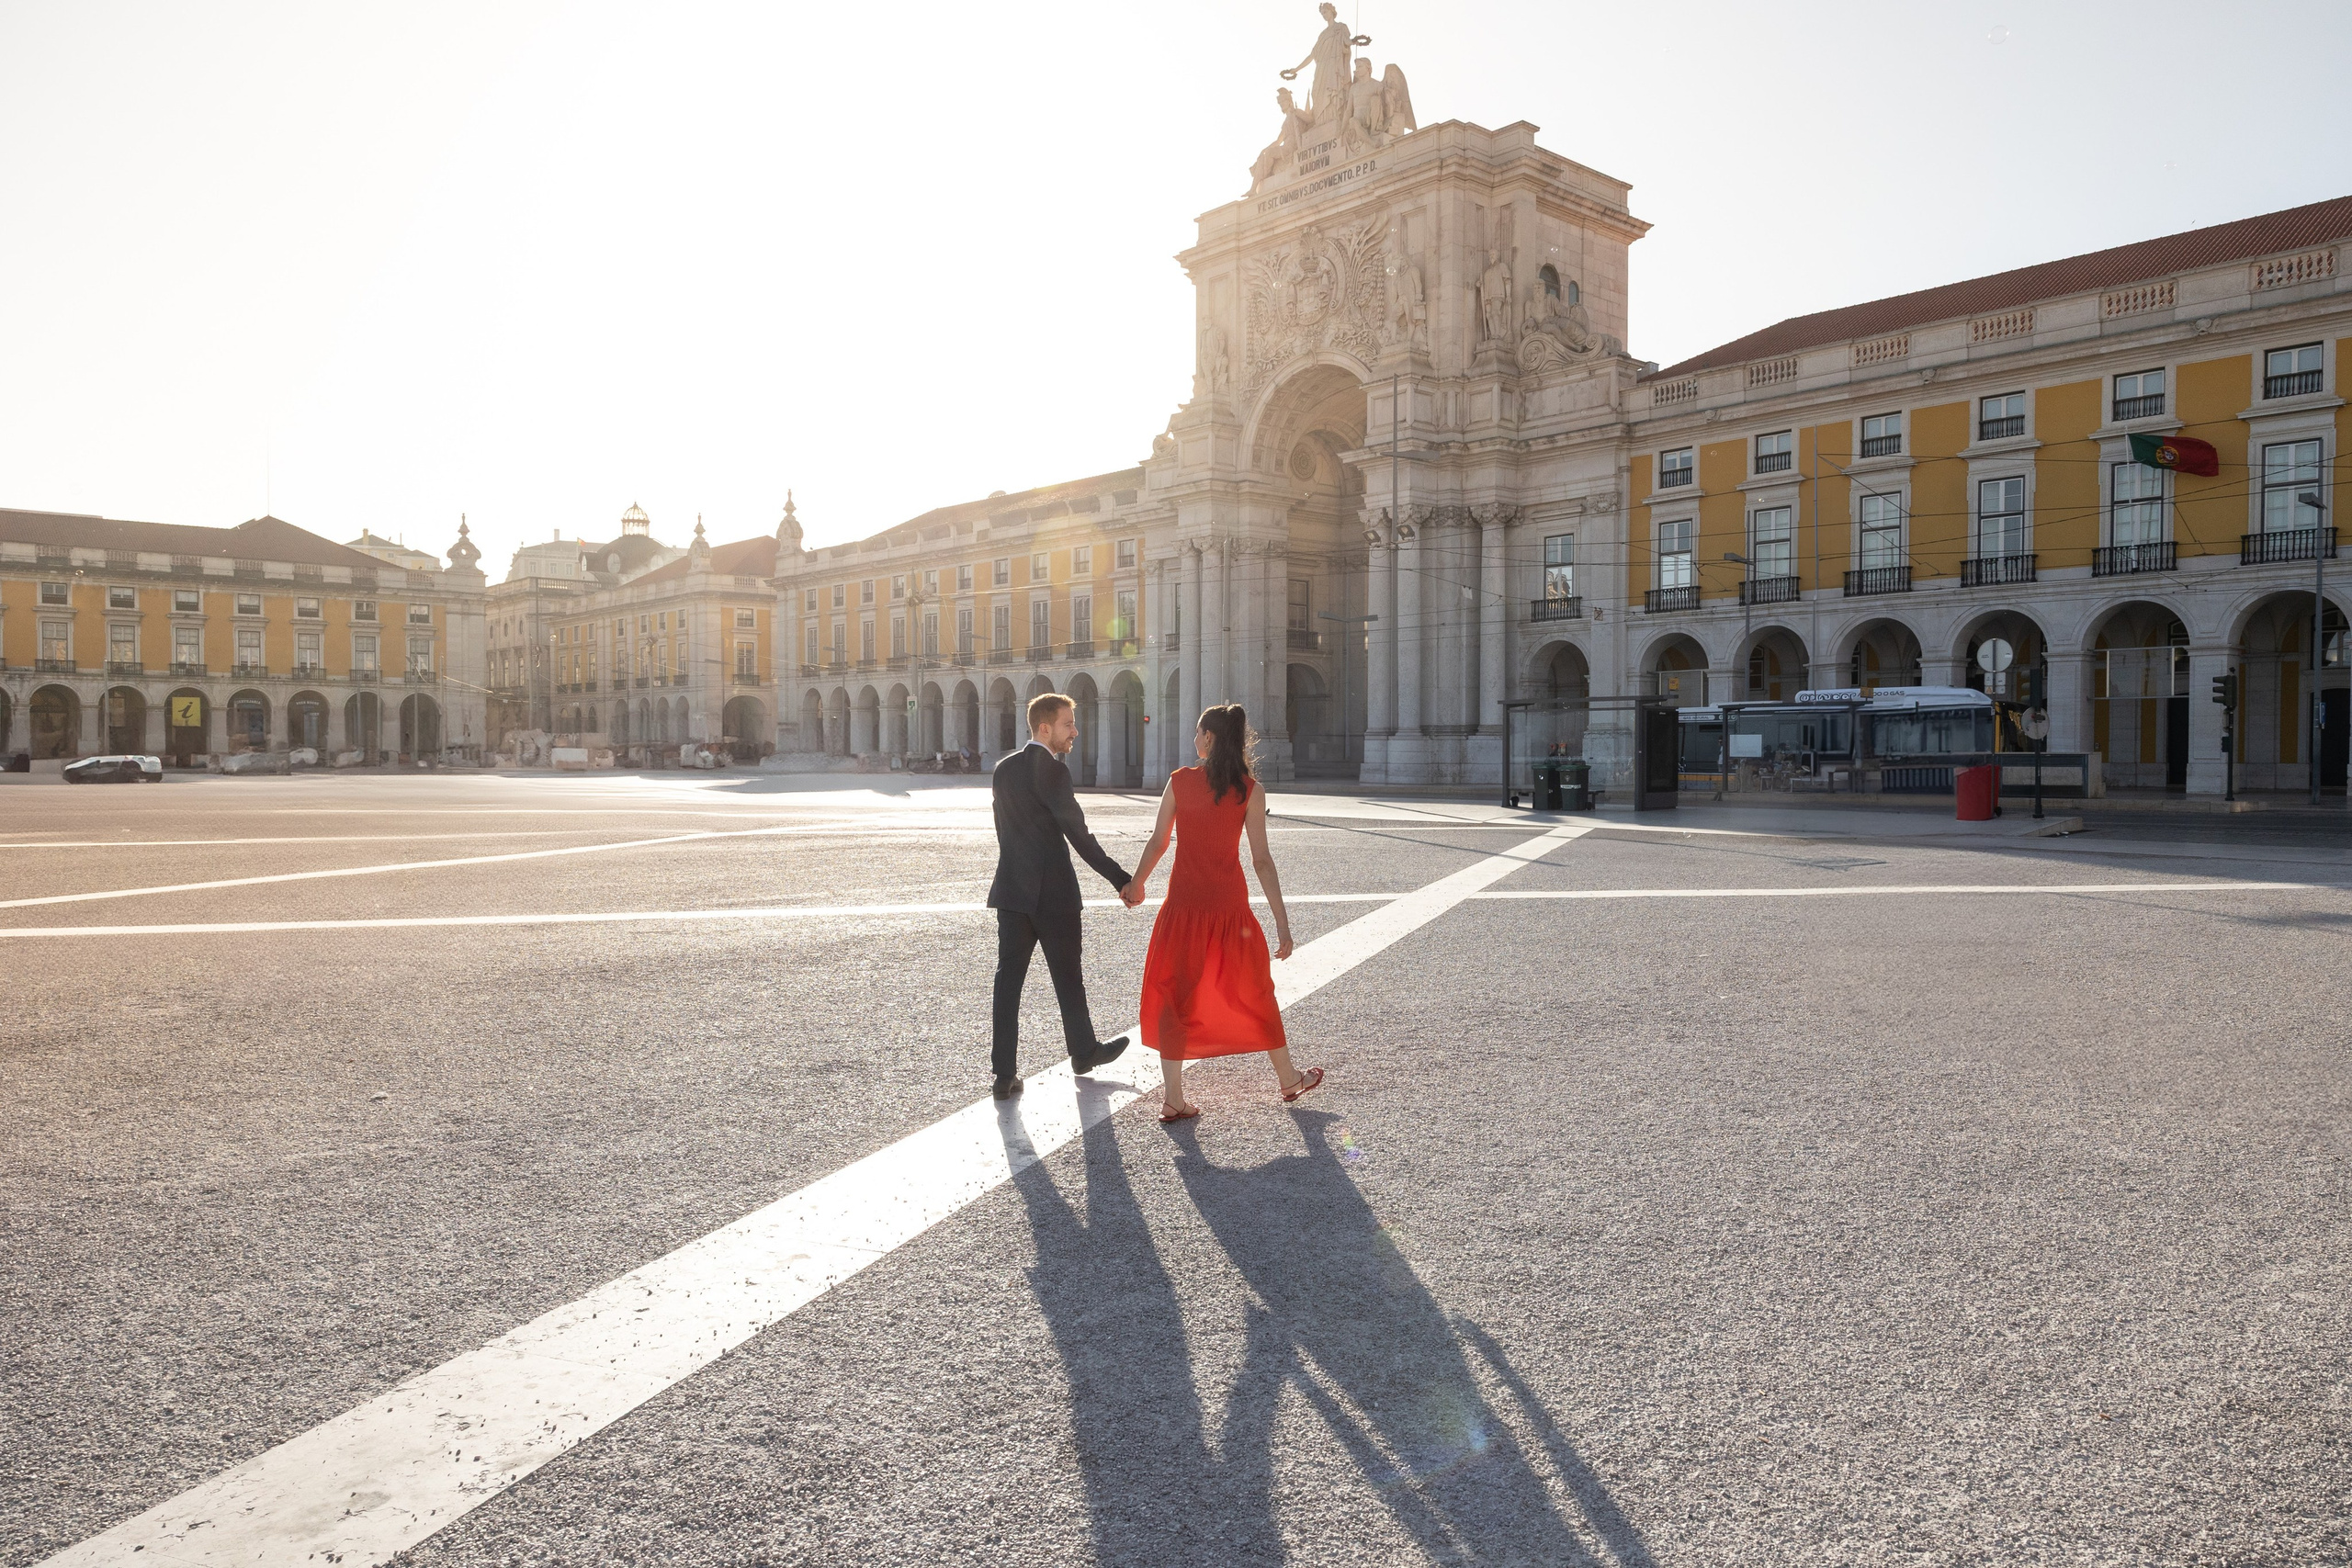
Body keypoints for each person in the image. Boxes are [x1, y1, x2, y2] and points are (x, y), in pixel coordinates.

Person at [1122, 705, 1320, 1122]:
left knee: (1175, 994)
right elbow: (1262, 860)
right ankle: (1288, 1079)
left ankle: (1173, 1097)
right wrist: (1282, 924)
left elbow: (1159, 841)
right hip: (1230, 909)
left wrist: (1137, 883)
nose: (1194, 739)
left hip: (1183, 907)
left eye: (1198, 733)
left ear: (1209, 737)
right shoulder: (1250, 790)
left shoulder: (1179, 781)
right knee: (1256, 989)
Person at [986, 693, 1134, 1101]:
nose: (1075, 732)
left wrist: (1017, 870)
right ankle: (1083, 1053)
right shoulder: (1054, 772)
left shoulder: (1003, 770)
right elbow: (1079, 835)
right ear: (1045, 727)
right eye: (1068, 724)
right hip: (1054, 895)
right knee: (1068, 978)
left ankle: (1003, 1074)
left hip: (1012, 892)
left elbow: (1003, 831)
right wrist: (1121, 879)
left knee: (1007, 983)